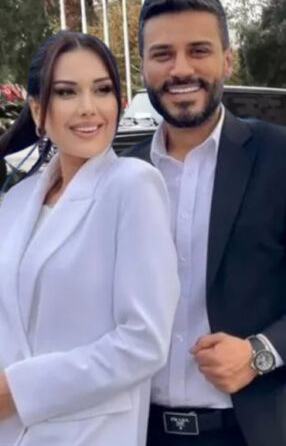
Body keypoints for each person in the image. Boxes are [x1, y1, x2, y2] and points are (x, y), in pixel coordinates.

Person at [123, 0, 286, 445]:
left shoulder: (285, 156)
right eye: (162, 54)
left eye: (198, 50)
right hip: (138, 429)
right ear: (143, 67)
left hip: (252, 430)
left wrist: (262, 352)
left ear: (227, 60)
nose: (181, 69)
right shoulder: (123, 173)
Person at [0, 31, 180, 446]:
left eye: (102, 90)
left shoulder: (133, 186)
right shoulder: (18, 200)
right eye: (67, 92)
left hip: (91, 435)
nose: (88, 107)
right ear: (38, 110)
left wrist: (18, 391)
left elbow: (145, 341)